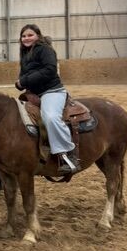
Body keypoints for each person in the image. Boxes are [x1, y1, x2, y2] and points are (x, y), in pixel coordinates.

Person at [15, 23, 80, 174]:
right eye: (23, 36)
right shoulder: (25, 52)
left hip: (51, 91)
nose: (26, 38)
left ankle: (68, 154)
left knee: (50, 117)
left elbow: (50, 70)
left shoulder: (45, 49)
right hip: (33, 93)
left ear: (38, 36)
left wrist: (24, 81)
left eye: (30, 35)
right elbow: (26, 73)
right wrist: (21, 82)